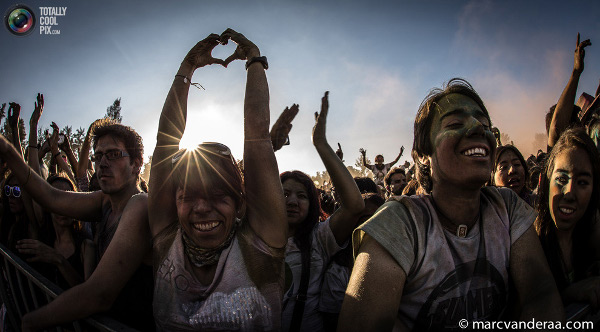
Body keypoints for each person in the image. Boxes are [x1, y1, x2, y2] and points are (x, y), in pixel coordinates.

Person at [338, 78, 564, 331]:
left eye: (485, 125)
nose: (479, 130)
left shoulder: (508, 207)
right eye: (455, 123)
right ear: (423, 155)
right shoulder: (398, 222)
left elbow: (541, 296)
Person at [0, 104, 152, 330]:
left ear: (136, 165)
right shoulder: (105, 201)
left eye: (113, 154)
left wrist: (29, 322)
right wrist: (9, 152)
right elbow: (50, 197)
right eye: (98, 156)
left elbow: (99, 294)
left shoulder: (140, 204)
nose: (102, 163)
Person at [281, 92, 364, 332]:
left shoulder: (320, 239)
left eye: (302, 196)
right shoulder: (254, 235)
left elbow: (354, 206)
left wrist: (320, 143)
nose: (293, 201)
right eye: (285, 194)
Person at [535, 127, 600, 307]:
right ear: (546, 181)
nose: (570, 193)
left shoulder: (591, 230)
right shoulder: (527, 240)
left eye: (582, 183)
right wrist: (571, 293)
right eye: (562, 180)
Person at [547, 33, 591, 151]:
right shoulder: (556, 157)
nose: (582, 126)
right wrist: (576, 72)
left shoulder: (590, 156)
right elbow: (557, 126)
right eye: (577, 121)